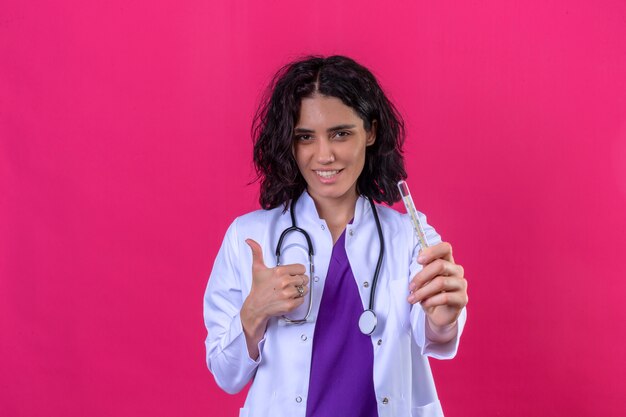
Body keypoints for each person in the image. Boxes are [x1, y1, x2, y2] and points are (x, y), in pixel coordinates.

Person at [203, 55, 468, 417]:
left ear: (370, 132)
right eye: (305, 137)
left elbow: (434, 335)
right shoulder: (249, 239)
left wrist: (443, 319)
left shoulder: (410, 235)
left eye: (341, 133)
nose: (324, 155)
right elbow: (225, 374)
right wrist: (253, 314)